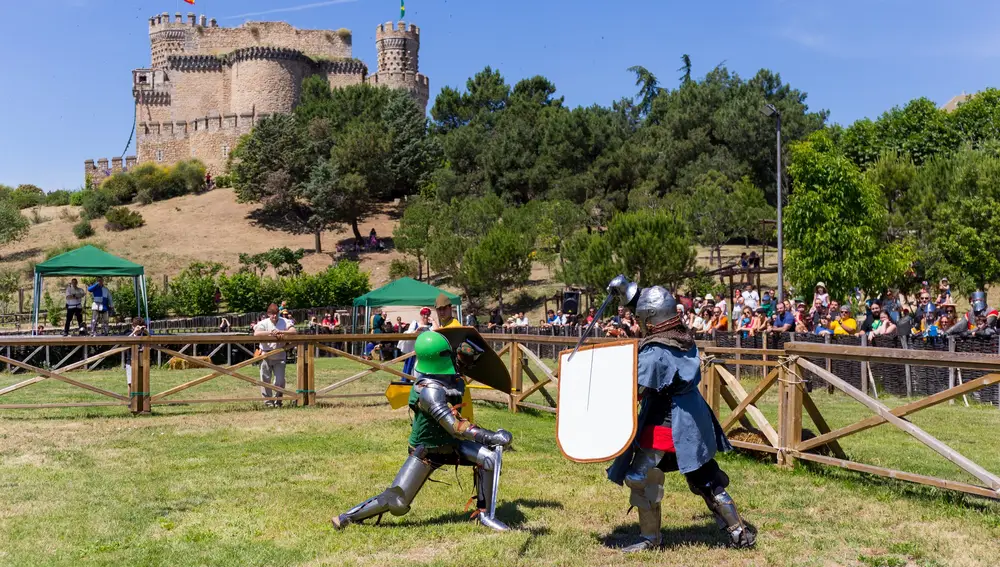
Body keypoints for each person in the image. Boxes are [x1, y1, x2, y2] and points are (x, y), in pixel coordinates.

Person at [604, 277, 756, 552]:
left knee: (639, 477)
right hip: (692, 419)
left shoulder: (656, 350)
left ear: (651, 318)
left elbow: (636, 388)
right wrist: (625, 288)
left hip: (666, 423)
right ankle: (739, 532)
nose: (639, 323)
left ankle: (650, 539)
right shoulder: (682, 338)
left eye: (641, 318)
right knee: (704, 477)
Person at [332, 332, 514, 532]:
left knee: (488, 459)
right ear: (439, 357)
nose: (457, 357)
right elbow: (455, 425)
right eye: (451, 353)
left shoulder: (453, 380)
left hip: (451, 444)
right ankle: (347, 517)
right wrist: (490, 436)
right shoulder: (429, 391)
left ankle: (485, 515)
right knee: (398, 502)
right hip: (426, 450)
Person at [253, 304, 297, 407]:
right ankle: (268, 402)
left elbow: (293, 331)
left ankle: (278, 401)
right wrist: (271, 333)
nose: (274, 316)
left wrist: (281, 332)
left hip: (280, 353)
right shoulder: (263, 323)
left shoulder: (284, 321)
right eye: (272, 314)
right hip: (265, 353)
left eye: (276, 314)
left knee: (280, 380)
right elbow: (256, 333)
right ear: (268, 314)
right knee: (265, 379)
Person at [399, 307, 433, 380]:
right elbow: (407, 335)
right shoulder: (415, 324)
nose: (426, 316)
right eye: (424, 314)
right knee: (413, 373)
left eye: (427, 314)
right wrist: (416, 332)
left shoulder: (431, 326)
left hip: (427, 353)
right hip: (415, 353)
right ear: (421, 315)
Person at [124, 317, 148, 388]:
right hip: (130, 361)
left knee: (143, 383)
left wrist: (147, 332)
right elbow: (124, 342)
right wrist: (134, 332)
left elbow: (152, 340)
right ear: (132, 326)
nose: (139, 329)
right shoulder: (128, 333)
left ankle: (142, 399)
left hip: (143, 362)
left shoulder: (144, 335)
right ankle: (130, 399)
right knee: (130, 383)